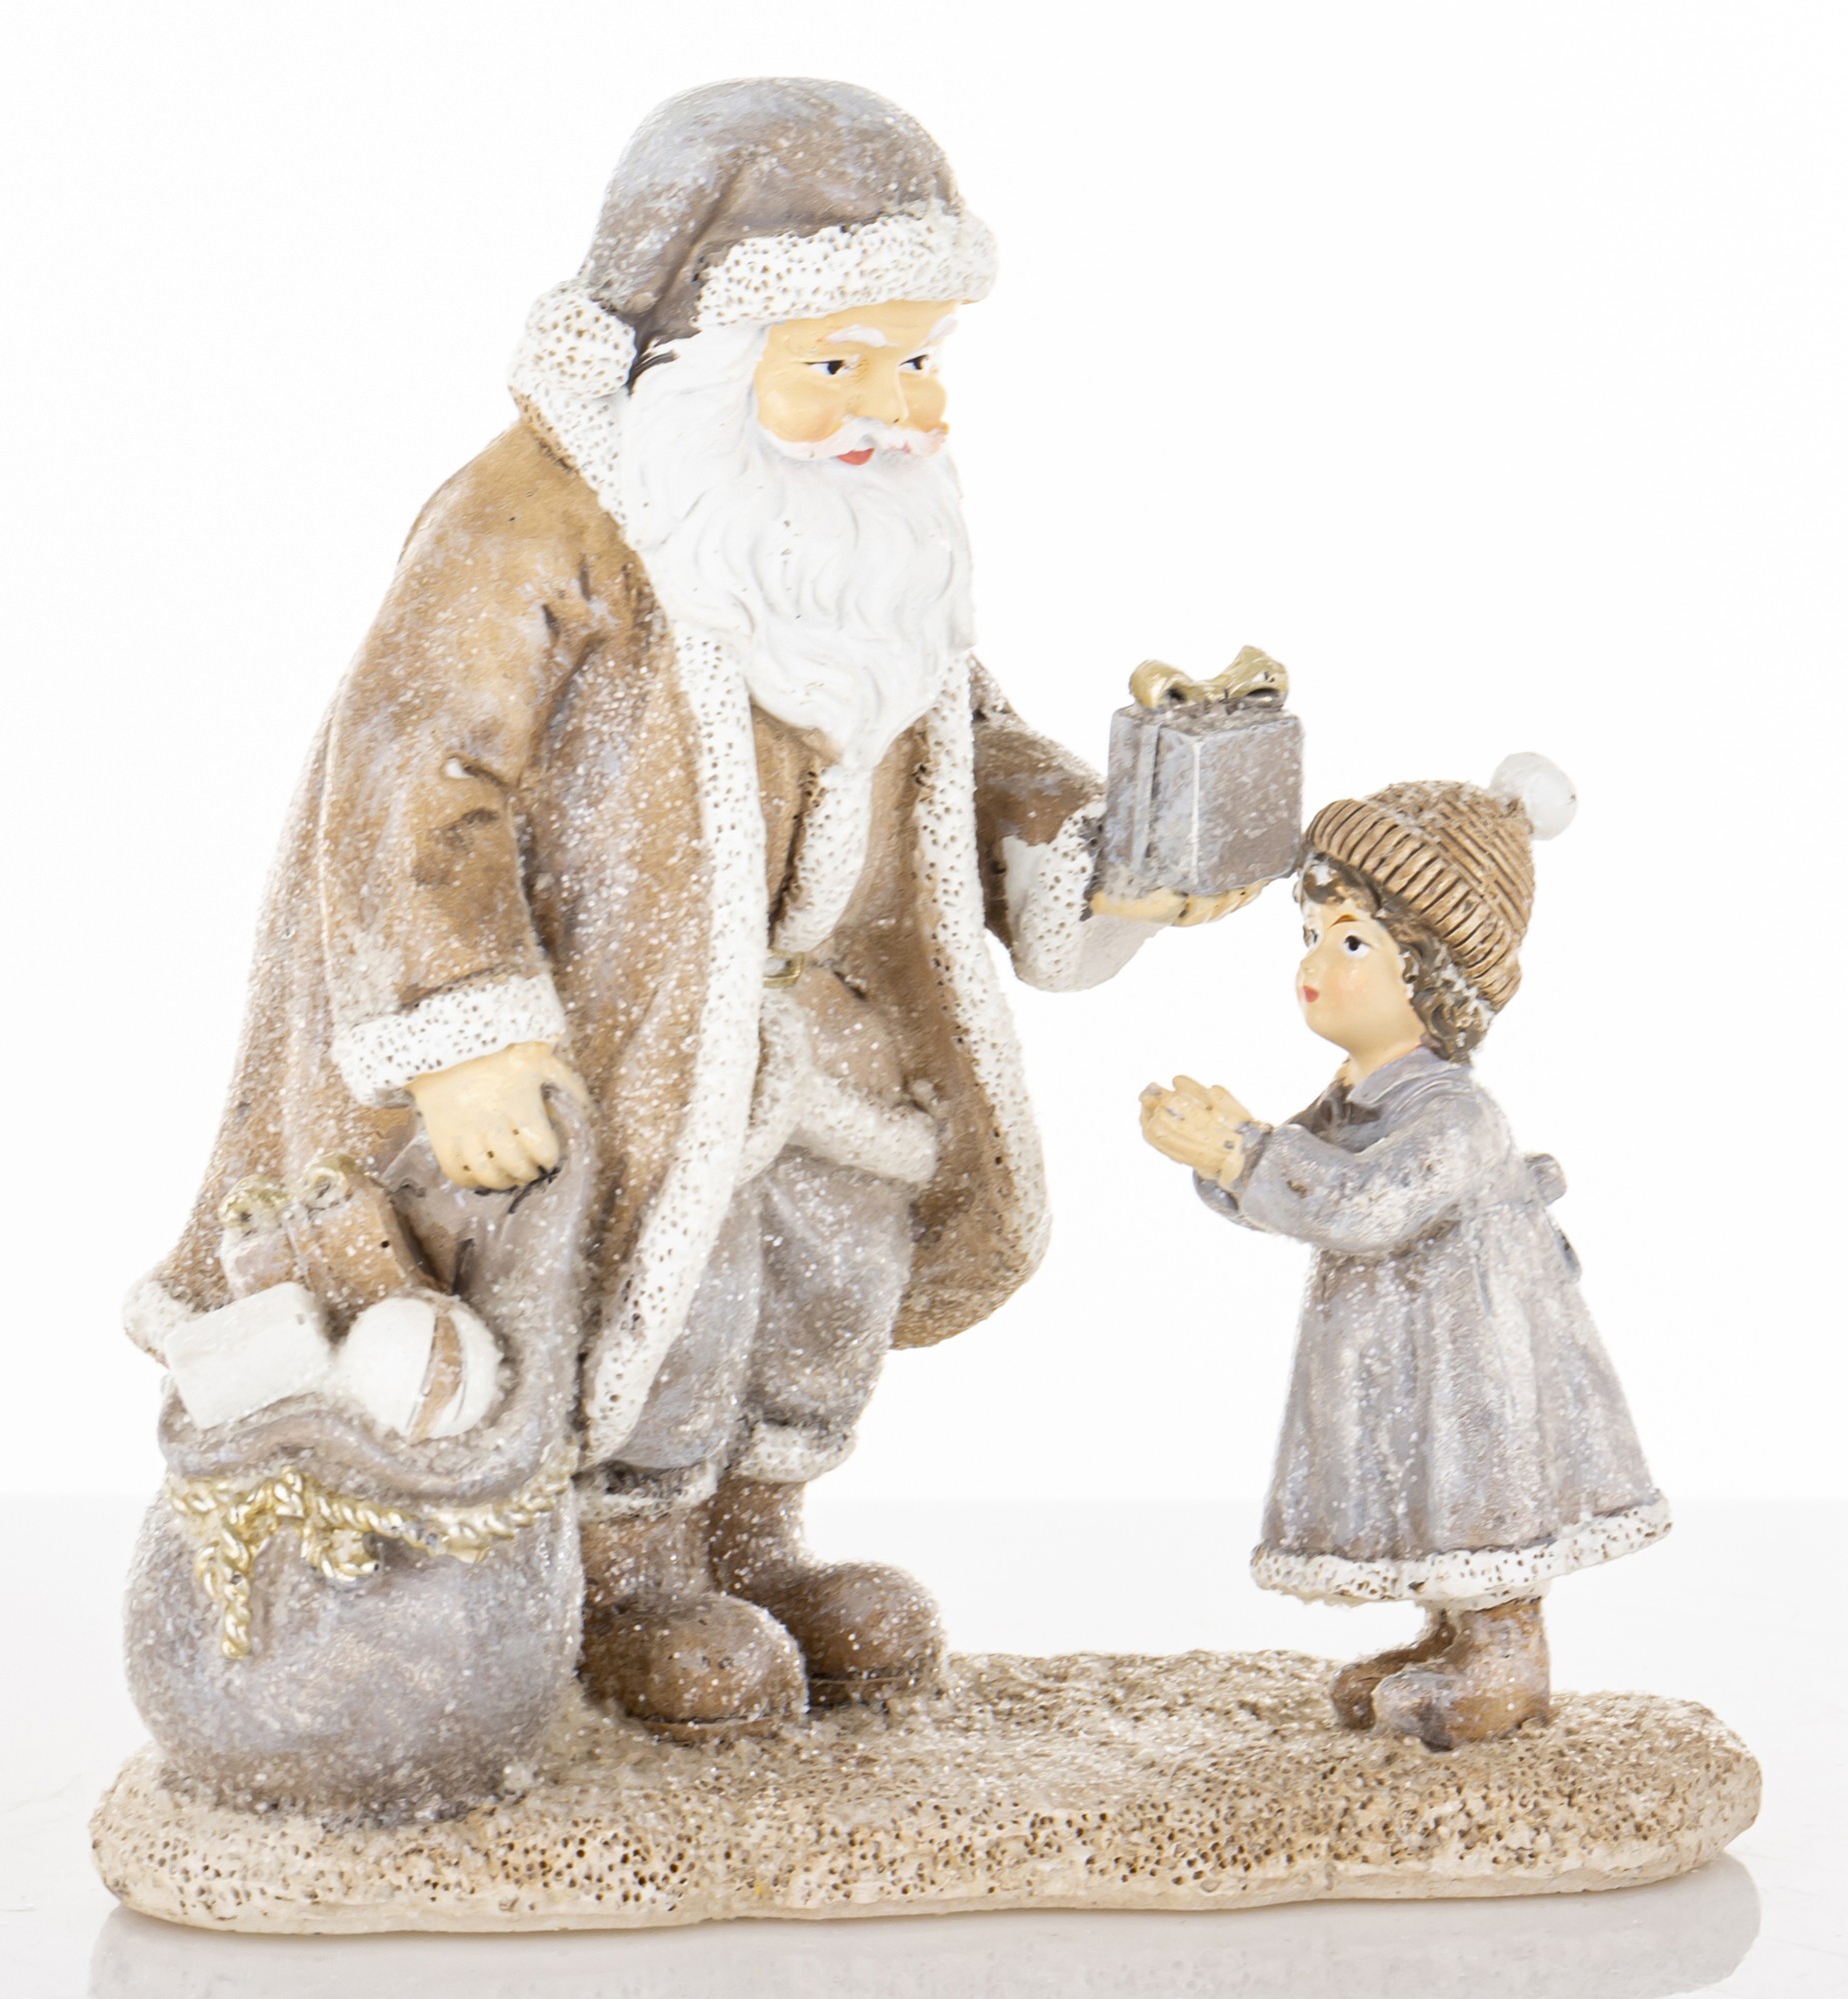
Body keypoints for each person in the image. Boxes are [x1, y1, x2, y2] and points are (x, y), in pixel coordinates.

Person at [126, 78, 1252, 1738]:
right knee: (670, 1304)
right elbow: (416, 774)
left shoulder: (856, 540)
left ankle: (756, 1541)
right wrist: (463, 1031)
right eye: (839, 365)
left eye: (920, 359)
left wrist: (1110, 850)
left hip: (831, 1042)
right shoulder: (539, 519)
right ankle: (629, 1575)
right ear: (707, 357)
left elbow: (956, 738)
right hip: (635, 1039)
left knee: (821, 1294)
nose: (899, 409)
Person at [1139, 756, 1668, 1747]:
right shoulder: (1356, 1095)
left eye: (1351, 940)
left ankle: (1503, 1653)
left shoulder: (1455, 1114)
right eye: (1311, 934)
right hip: (1402, 1352)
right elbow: (1298, 1188)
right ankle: (1449, 1637)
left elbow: (1366, 1203)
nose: (1314, 961)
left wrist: (1241, 1151)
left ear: (1431, 973)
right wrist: (1226, 1158)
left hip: (1469, 1362)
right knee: (1423, 1485)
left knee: (1473, 1485)